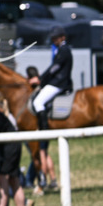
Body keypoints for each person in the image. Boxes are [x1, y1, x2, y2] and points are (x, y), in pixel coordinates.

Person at [25, 65, 58, 193]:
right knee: (46, 153)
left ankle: (43, 181)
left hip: (41, 128)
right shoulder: (43, 85)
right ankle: (53, 180)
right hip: (47, 126)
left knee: (42, 153)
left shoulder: (34, 90)